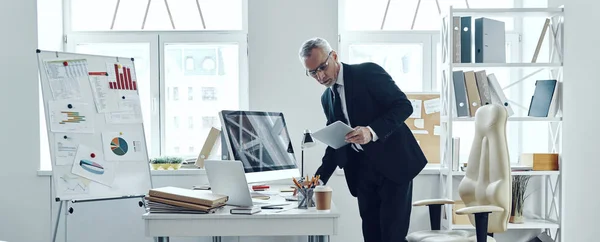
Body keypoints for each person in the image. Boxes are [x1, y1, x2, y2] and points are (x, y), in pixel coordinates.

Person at [298, 37, 428, 242]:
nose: (320, 76)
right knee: (371, 236)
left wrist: (371, 131)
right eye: (313, 73)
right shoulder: (326, 98)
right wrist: (316, 182)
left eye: (322, 67)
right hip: (362, 171)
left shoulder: (367, 73)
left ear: (334, 56)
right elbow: (336, 142)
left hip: (393, 166)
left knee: (392, 237)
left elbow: (403, 106)